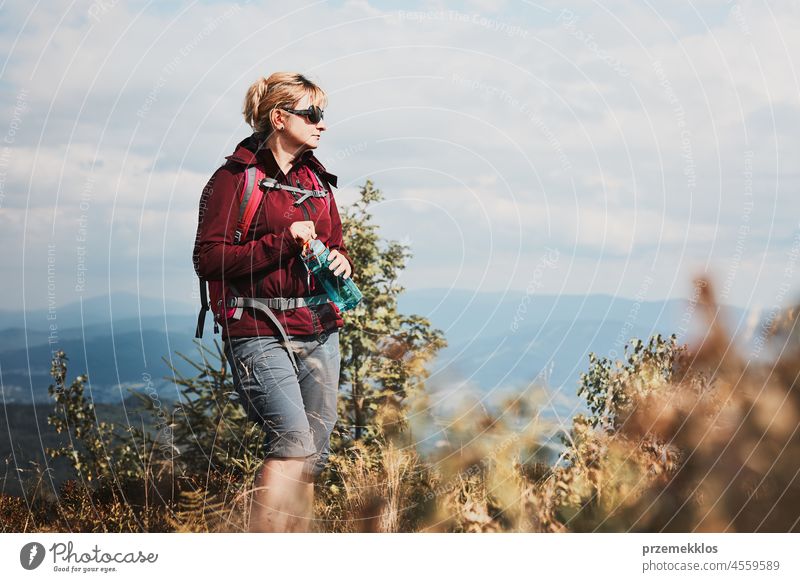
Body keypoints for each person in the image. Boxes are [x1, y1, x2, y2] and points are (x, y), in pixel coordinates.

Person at [193, 72, 354, 532]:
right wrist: (283, 242)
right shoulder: (234, 179)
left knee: (314, 455)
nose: (322, 124)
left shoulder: (317, 181)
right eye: (312, 114)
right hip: (258, 329)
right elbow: (209, 260)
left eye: (323, 115)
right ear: (279, 118)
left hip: (319, 329)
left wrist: (341, 262)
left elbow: (338, 246)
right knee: (292, 443)